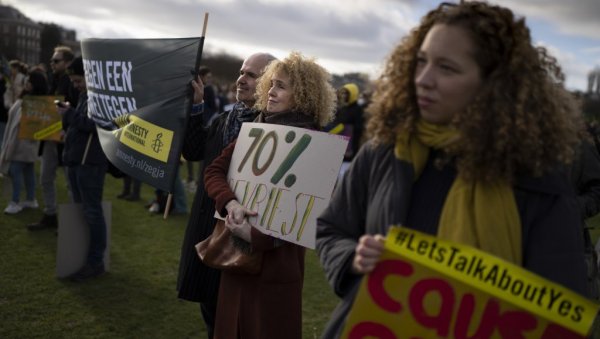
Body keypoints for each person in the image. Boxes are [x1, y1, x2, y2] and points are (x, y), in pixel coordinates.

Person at [315, 2, 588, 337]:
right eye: (421, 61)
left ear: (493, 85)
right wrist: (352, 260)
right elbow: (331, 228)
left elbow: (562, 314)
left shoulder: (538, 179)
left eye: (446, 68)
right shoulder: (384, 150)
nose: (423, 80)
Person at [203, 51, 336, 339]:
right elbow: (214, 171)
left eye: (281, 86)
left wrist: (256, 237)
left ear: (302, 94)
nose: (271, 91)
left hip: (275, 272)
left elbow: (306, 215)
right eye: (271, 84)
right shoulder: (255, 129)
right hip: (235, 263)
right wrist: (231, 202)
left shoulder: (317, 146)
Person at [176, 52, 275, 339]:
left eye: (251, 74)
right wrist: (196, 106)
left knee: (237, 319)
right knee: (211, 311)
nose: (241, 78)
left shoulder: (272, 130)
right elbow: (194, 152)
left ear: (268, 83)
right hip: (208, 226)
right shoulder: (223, 119)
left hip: (240, 234)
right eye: (242, 72)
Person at [60, 57, 108, 281]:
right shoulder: (84, 96)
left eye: (78, 80)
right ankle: (81, 258)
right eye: (73, 81)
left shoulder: (101, 97)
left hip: (90, 164)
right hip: (77, 160)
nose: (75, 85)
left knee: (92, 212)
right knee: (82, 212)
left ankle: (95, 261)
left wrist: (68, 114)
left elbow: (93, 125)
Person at [28, 45, 78, 231]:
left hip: (65, 139)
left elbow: (72, 109)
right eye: (51, 61)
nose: (52, 63)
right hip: (50, 137)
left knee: (70, 182)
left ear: (67, 62)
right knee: (46, 178)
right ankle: (50, 214)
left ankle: (71, 223)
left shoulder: (73, 82)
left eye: (56, 61)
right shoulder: (52, 79)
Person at [0, 71, 46, 214]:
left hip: (22, 143)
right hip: (22, 143)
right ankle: (30, 199)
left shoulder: (35, 103)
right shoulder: (28, 99)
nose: (27, 83)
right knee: (28, 172)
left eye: (29, 82)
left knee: (15, 172)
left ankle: (15, 201)